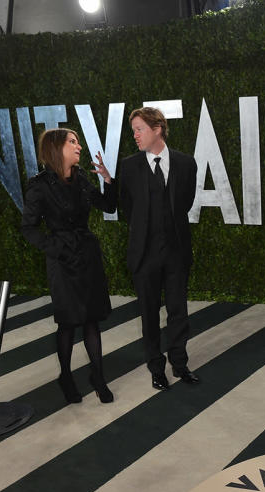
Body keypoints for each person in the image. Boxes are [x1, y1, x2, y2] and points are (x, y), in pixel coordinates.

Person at [21, 128, 116, 404]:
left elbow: (108, 206)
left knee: (91, 319)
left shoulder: (83, 179)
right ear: (56, 148)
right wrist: (57, 249)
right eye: (72, 142)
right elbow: (28, 228)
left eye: (77, 142)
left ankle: (97, 376)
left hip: (87, 256)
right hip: (62, 262)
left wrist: (108, 180)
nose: (79, 147)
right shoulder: (39, 185)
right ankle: (65, 375)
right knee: (68, 323)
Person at [116, 107, 200, 391]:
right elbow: (129, 208)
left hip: (176, 251)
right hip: (144, 254)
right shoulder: (128, 166)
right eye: (134, 131)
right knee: (148, 314)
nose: (135, 136)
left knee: (179, 312)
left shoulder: (186, 164)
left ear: (158, 129)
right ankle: (156, 368)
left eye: (139, 129)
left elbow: (185, 203)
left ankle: (180, 364)